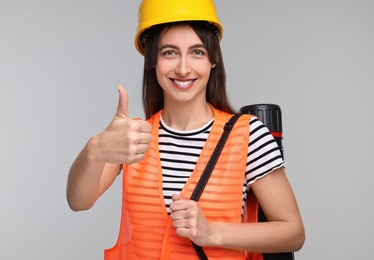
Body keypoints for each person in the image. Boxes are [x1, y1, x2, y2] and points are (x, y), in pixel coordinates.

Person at [66, 0, 305, 259]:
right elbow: (79, 201)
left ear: (213, 60)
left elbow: (293, 233)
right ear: (152, 61)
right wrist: (95, 149)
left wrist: (212, 232)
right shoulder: (134, 138)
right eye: (169, 52)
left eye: (197, 52)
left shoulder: (247, 136)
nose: (183, 68)